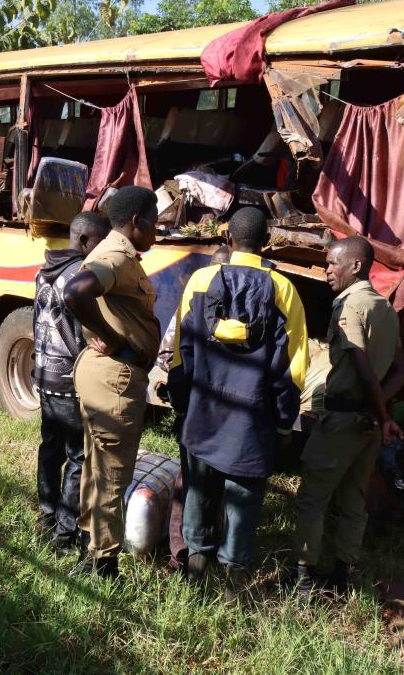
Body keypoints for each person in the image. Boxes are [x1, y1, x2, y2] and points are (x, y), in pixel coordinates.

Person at [168, 207, 309, 598]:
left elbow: (181, 352)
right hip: (253, 420)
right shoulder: (284, 291)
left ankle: (196, 575)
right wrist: (283, 421)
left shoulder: (200, 280)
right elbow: (293, 368)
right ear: (266, 242)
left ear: (228, 237)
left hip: (203, 412)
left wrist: (184, 405)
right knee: (243, 504)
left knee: (198, 492)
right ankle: (233, 588)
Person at [291, 236, 404, 597]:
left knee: (312, 498)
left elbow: (360, 365)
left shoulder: (350, 306)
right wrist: (380, 413)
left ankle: (303, 578)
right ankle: (342, 576)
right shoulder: (384, 308)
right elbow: (401, 370)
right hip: (367, 424)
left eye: (332, 264)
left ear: (355, 266)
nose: (326, 271)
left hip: (343, 419)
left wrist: (379, 411)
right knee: (354, 501)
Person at [64, 186, 160, 580]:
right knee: (112, 472)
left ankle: (90, 544)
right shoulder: (117, 254)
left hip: (105, 374)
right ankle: (103, 564)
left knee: (97, 463)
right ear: (136, 222)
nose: (158, 230)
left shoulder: (121, 253)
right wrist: (113, 336)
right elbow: (76, 291)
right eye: (155, 222)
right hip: (114, 377)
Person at [33, 211, 111, 555]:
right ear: (83, 241)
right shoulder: (79, 275)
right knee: (78, 456)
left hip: (43, 373)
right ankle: (63, 536)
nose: (103, 248)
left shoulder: (44, 270)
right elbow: (84, 330)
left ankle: (46, 515)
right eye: (100, 241)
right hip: (68, 378)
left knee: (50, 446)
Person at [162, 244, 231, 572]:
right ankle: (181, 551)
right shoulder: (193, 306)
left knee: (209, 483)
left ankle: (204, 546)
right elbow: (171, 354)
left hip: (216, 411)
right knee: (190, 481)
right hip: (197, 407)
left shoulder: (238, 308)